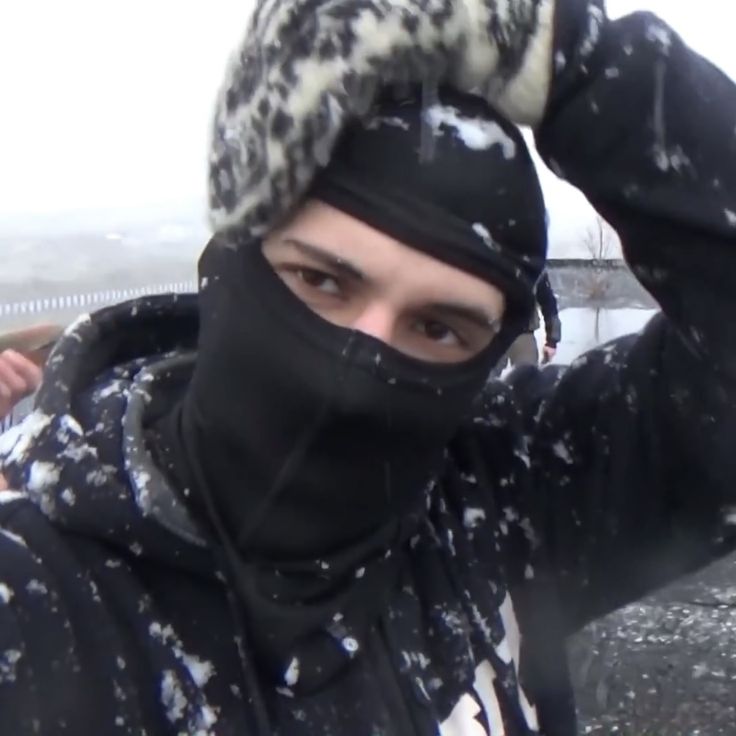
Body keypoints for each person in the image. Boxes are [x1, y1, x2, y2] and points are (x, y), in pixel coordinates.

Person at [1, 1, 736, 735]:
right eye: (321, 281)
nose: (357, 365)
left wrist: (563, 55)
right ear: (231, 260)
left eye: (437, 327)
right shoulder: (35, 604)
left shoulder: (505, 502)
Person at [492, 271, 561, 376]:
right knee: (481, 383)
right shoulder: (486, 260)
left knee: (527, 380)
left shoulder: (533, 267)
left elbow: (548, 304)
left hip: (523, 333)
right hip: (491, 333)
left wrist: (552, 340)